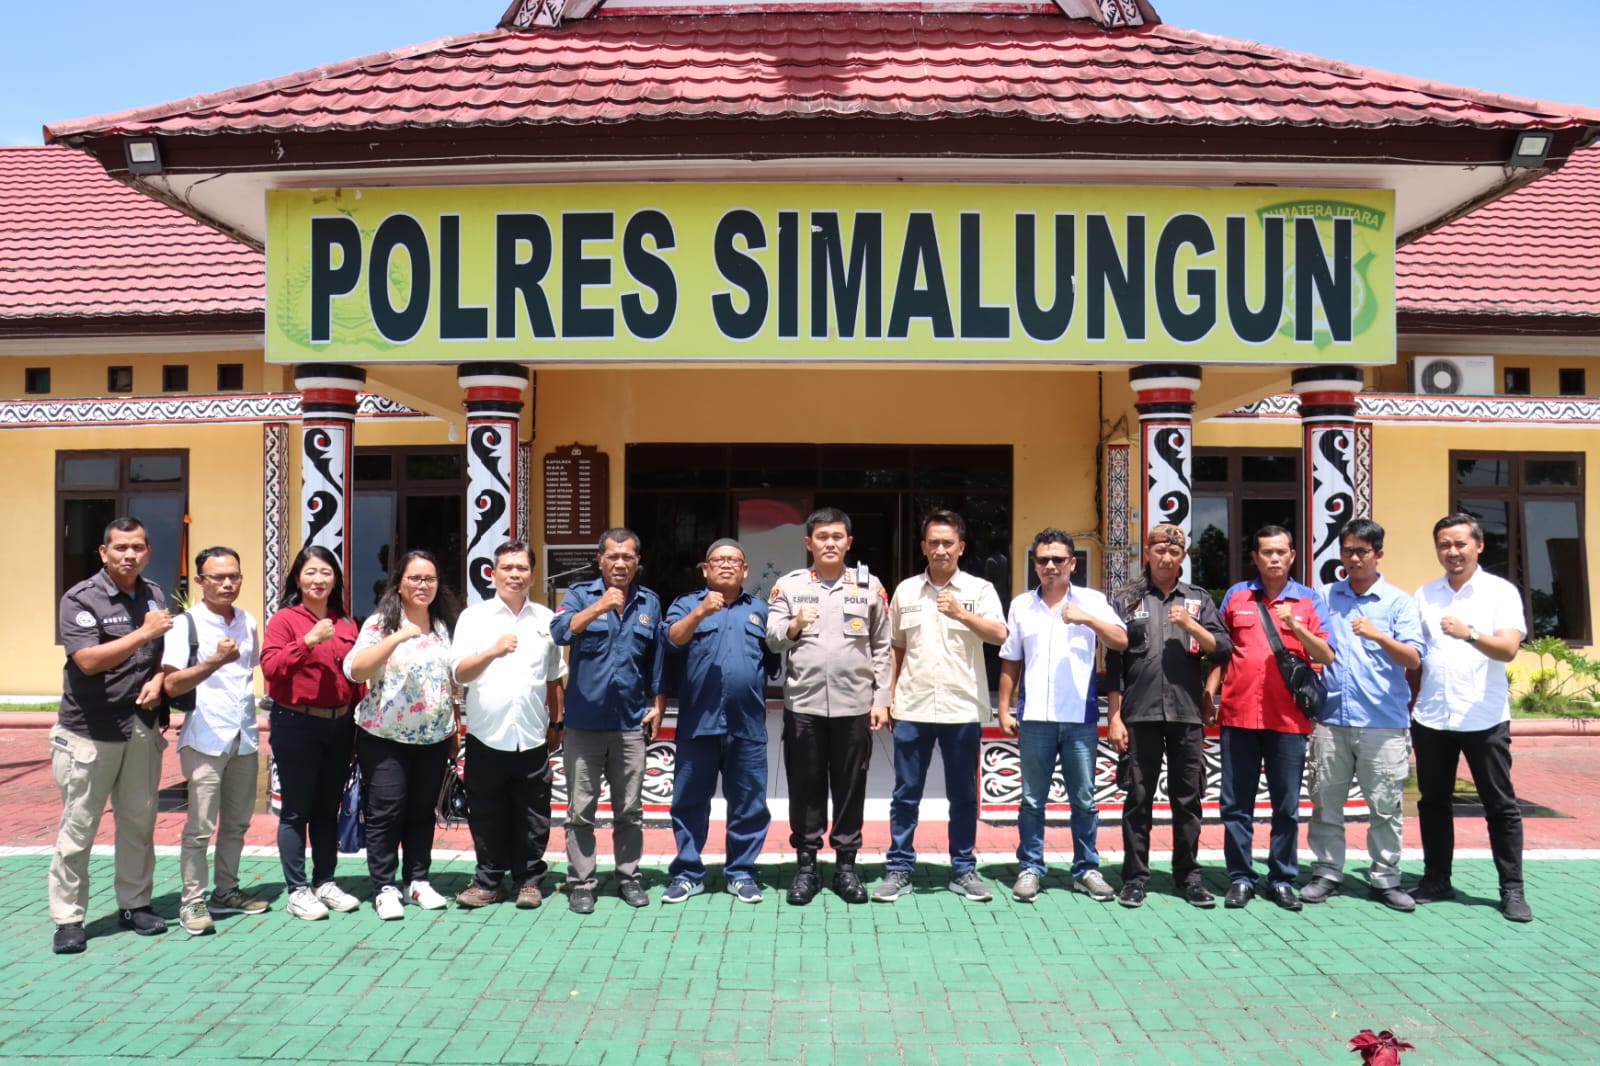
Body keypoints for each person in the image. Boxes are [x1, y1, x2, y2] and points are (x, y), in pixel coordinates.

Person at [49, 517, 173, 954]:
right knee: (78, 828)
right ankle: (68, 918)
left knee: (138, 823)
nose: (129, 555)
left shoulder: (154, 594)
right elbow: (87, 660)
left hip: (140, 726)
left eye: (137, 547)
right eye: (120, 547)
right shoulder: (81, 598)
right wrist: (144, 632)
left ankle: (135, 905)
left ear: (148, 552)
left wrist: (159, 680)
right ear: (104, 553)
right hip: (89, 730)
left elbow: (160, 655)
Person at [874, 511, 1007, 904]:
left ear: (961, 548)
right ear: (923, 547)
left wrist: (962, 613)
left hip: (961, 708)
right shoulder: (906, 591)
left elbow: (1000, 634)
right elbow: (896, 648)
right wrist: (888, 697)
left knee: (962, 795)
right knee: (905, 793)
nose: (941, 549)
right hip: (912, 706)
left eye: (948, 543)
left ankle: (963, 869)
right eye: (933, 542)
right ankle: (899, 867)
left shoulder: (980, 590)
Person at [766, 507, 892, 905]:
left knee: (850, 787)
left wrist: (882, 699)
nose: (830, 543)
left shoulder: (869, 587)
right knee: (805, 786)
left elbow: (882, 646)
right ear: (809, 543)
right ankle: (806, 867)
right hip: (803, 704)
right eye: (822, 537)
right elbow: (772, 638)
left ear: (849, 542)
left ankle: (846, 868)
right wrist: (795, 624)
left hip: (854, 705)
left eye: (837, 536)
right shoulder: (789, 586)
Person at [1104, 523, 1232, 909]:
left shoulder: (1198, 600)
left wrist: (1191, 625)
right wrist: (1114, 717)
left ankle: (1188, 876)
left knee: (1188, 799)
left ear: (1183, 557)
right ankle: (1135, 878)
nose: (1166, 557)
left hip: (1186, 713)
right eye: (1159, 550)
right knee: (1138, 799)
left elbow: (1222, 650)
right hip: (1139, 713)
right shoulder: (1127, 599)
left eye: (1174, 551)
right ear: (1147, 553)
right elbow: (1114, 663)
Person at [997, 528, 1128, 904]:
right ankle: (1030, 867)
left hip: (1079, 719)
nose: (1050, 566)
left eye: (1058, 559)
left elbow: (1121, 641)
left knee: (1084, 799)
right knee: (1031, 800)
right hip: (1035, 718)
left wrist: (1087, 619)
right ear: (1035, 564)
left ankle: (1086, 869)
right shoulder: (1022, 605)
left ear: (1072, 563)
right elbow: (1011, 659)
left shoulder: (1092, 600)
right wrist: (1004, 708)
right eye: (1043, 560)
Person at [1411, 513, 1531, 922]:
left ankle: (1512, 890)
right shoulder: (1425, 594)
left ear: (1479, 545)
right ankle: (1436, 880)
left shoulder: (1501, 592)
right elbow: (1417, 655)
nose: (1452, 552)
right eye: (1444, 544)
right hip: (1432, 716)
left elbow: (1508, 649)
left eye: (1460, 543)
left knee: (1500, 806)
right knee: (1433, 804)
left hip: (1484, 717)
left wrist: (1471, 633)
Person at [1300, 519, 1425, 912]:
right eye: (1348, 551)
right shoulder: (1324, 597)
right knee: (1325, 802)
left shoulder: (1398, 602)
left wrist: (1379, 635)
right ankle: (1327, 872)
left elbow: (1413, 658)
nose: (1354, 559)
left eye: (1362, 552)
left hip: (1382, 723)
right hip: (1331, 719)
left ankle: (1386, 878)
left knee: (1385, 806)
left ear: (1378, 554)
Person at [1208, 525, 1334, 912]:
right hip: (1239, 715)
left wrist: (1295, 625)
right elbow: (1221, 650)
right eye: (1266, 552)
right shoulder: (1237, 596)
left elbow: (1326, 655)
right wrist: (1209, 693)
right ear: (1255, 557)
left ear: (1292, 556)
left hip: (1288, 719)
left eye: (1281, 552)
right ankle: (1241, 878)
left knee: (1286, 806)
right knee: (1235, 805)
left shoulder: (1309, 600)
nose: (1274, 558)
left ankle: (1281, 879)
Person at [550, 527, 667, 913]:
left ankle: (628, 876)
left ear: (637, 562)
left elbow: (656, 660)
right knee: (580, 810)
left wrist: (658, 702)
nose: (620, 563)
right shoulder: (580, 595)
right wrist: (599, 607)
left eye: (627, 557)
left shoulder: (649, 602)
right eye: (613, 556)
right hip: (584, 724)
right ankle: (582, 882)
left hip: (630, 724)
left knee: (629, 810)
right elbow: (560, 632)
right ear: (600, 560)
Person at [450, 541, 567, 910]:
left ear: (532, 575)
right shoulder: (474, 618)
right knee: (486, 813)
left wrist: (557, 722)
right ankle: (488, 881)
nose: (514, 574)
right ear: (493, 574)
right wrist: (492, 651)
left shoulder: (547, 619)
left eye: (522, 568)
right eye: (507, 568)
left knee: (534, 814)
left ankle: (529, 882)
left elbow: (554, 677)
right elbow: (459, 673)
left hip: (532, 735)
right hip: (486, 734)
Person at [344, 550, 460, 920]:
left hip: (433, 737)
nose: (423, 585)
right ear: (399, 584)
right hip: (384, 737)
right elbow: (356, 670)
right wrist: (397, 638)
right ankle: (384, 886)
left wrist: (454, 727)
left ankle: (417, 880)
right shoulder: (381, 623)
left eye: (430, 579)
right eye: (415, 578)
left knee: (422, 812)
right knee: (387, 811)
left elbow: (450, 682)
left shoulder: (444, 625)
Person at [662, 539, 777, 904]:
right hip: (699, 724)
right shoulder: (686, 605)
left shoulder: (761, 610)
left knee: (749, 803)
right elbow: (671, 640)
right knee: (689, 802)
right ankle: (687, 873)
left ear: (745, 570)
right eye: (718, 560)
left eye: (734, 561)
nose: (726, 565)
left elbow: (772, 662)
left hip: (747, 725)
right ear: (705, 569)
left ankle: (741, 872)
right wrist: (700, 613)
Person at [161, 546, 266, 936]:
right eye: (217, 577)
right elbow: (171, 684)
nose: (227, 583)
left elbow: (247, 673)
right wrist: (213, 662)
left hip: (243, 734)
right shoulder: (184, 625)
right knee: (200, 827)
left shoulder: (248, 621)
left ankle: (226, 891)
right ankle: (192, 900)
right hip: (204, 737)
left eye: (233, 576)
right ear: (200, 580)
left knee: (237, 823)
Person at [261, 545, 364, 921]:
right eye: (310, 572)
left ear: (335, 580)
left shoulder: (346, 623)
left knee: (327, 809)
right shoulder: (285, 619)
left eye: (326, 572)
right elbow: (271, 667)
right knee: (295, 810)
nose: (318, 579)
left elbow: (355, 679)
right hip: (296, 723)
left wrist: (358, 724)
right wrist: (307, 641)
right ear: (297, 579)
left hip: (339, 724)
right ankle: (297, 889)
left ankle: (325, 882)